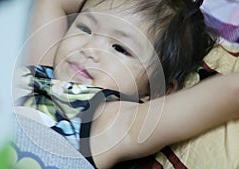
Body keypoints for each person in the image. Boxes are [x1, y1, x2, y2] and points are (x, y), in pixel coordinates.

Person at [14, 0, 239, 168]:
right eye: (85, 29)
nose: (89, 49)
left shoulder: (111, 121)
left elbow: (229, 91)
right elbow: (52, 3)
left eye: (120, 48)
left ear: (157, 91)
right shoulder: (41, 71)